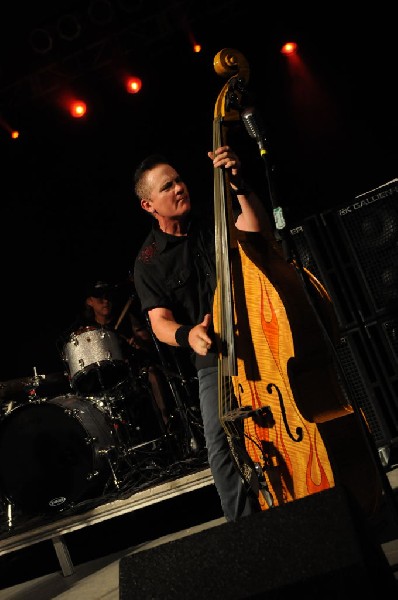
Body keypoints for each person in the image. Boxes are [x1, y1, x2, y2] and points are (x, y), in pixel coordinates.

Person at [132, 145, 269, 522]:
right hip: (214, 358)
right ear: (149, 206)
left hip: (261, 337)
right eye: (167, 186)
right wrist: (188, 335)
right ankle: (246, 533)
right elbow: (159, 323)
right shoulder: (148, 262)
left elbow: (256, 229)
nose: (179, 188)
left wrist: (240, 187)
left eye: (179, 180)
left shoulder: (212, 217)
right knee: (220, 445)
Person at [58, 279, 172, 439]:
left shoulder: (127, 319)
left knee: (153, 374)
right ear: (89, 301)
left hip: (131, 375)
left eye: (108, 297)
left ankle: (168, 428)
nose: (106, 301)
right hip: (105, 381)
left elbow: (149, 347)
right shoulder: (86, 330)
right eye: (99, 298)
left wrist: (140, 342)